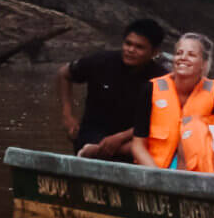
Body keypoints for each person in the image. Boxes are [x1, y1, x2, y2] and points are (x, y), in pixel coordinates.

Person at [58, 18, 167, 159]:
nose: (130, 50)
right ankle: (92, 151)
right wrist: (67, 116)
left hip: (132, 140)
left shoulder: (162, 79)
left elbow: (160, 121)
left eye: (139, 47)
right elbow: (64, 74)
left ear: (154, 52)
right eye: (128, 44)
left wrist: (121, 137)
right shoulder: (101, 61)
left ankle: (100, 150)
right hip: (92, 135)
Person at [133, 32, 214, 170]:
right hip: (154, 170)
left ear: (204, 63)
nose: (183, 58)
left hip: (195, 173)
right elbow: (138, 144)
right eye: (179, 53)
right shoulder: (151, 88)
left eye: (191, 54)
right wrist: (157, 176)